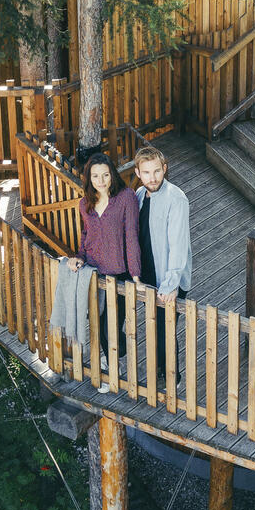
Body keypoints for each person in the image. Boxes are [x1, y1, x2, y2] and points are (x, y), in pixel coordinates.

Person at [63, 154, 140, 390]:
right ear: (89, 178)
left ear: (112, 174)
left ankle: (112, 367)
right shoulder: (84, 203)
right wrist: (78, 258)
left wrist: (135, 275)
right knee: (97, 322)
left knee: (110, 325)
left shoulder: (126, 197)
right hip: (93, 272)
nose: (101, 180)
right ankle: (112, 359)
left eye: (105, 174)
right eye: (95, 176)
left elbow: (131, 237)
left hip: (119, 273)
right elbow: (86, 236)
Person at [133, 146, 191, 387]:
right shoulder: (139, 194)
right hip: (148, 274)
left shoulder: (176, 198)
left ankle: (171, 379)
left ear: (164, 169)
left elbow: (178, 245)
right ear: (138, 173)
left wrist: (170, 285)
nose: (153, 178)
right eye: (146, 172)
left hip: (169, 279)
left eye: (157, 171)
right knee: (153, 325)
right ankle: (159, 371)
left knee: (165, 330)